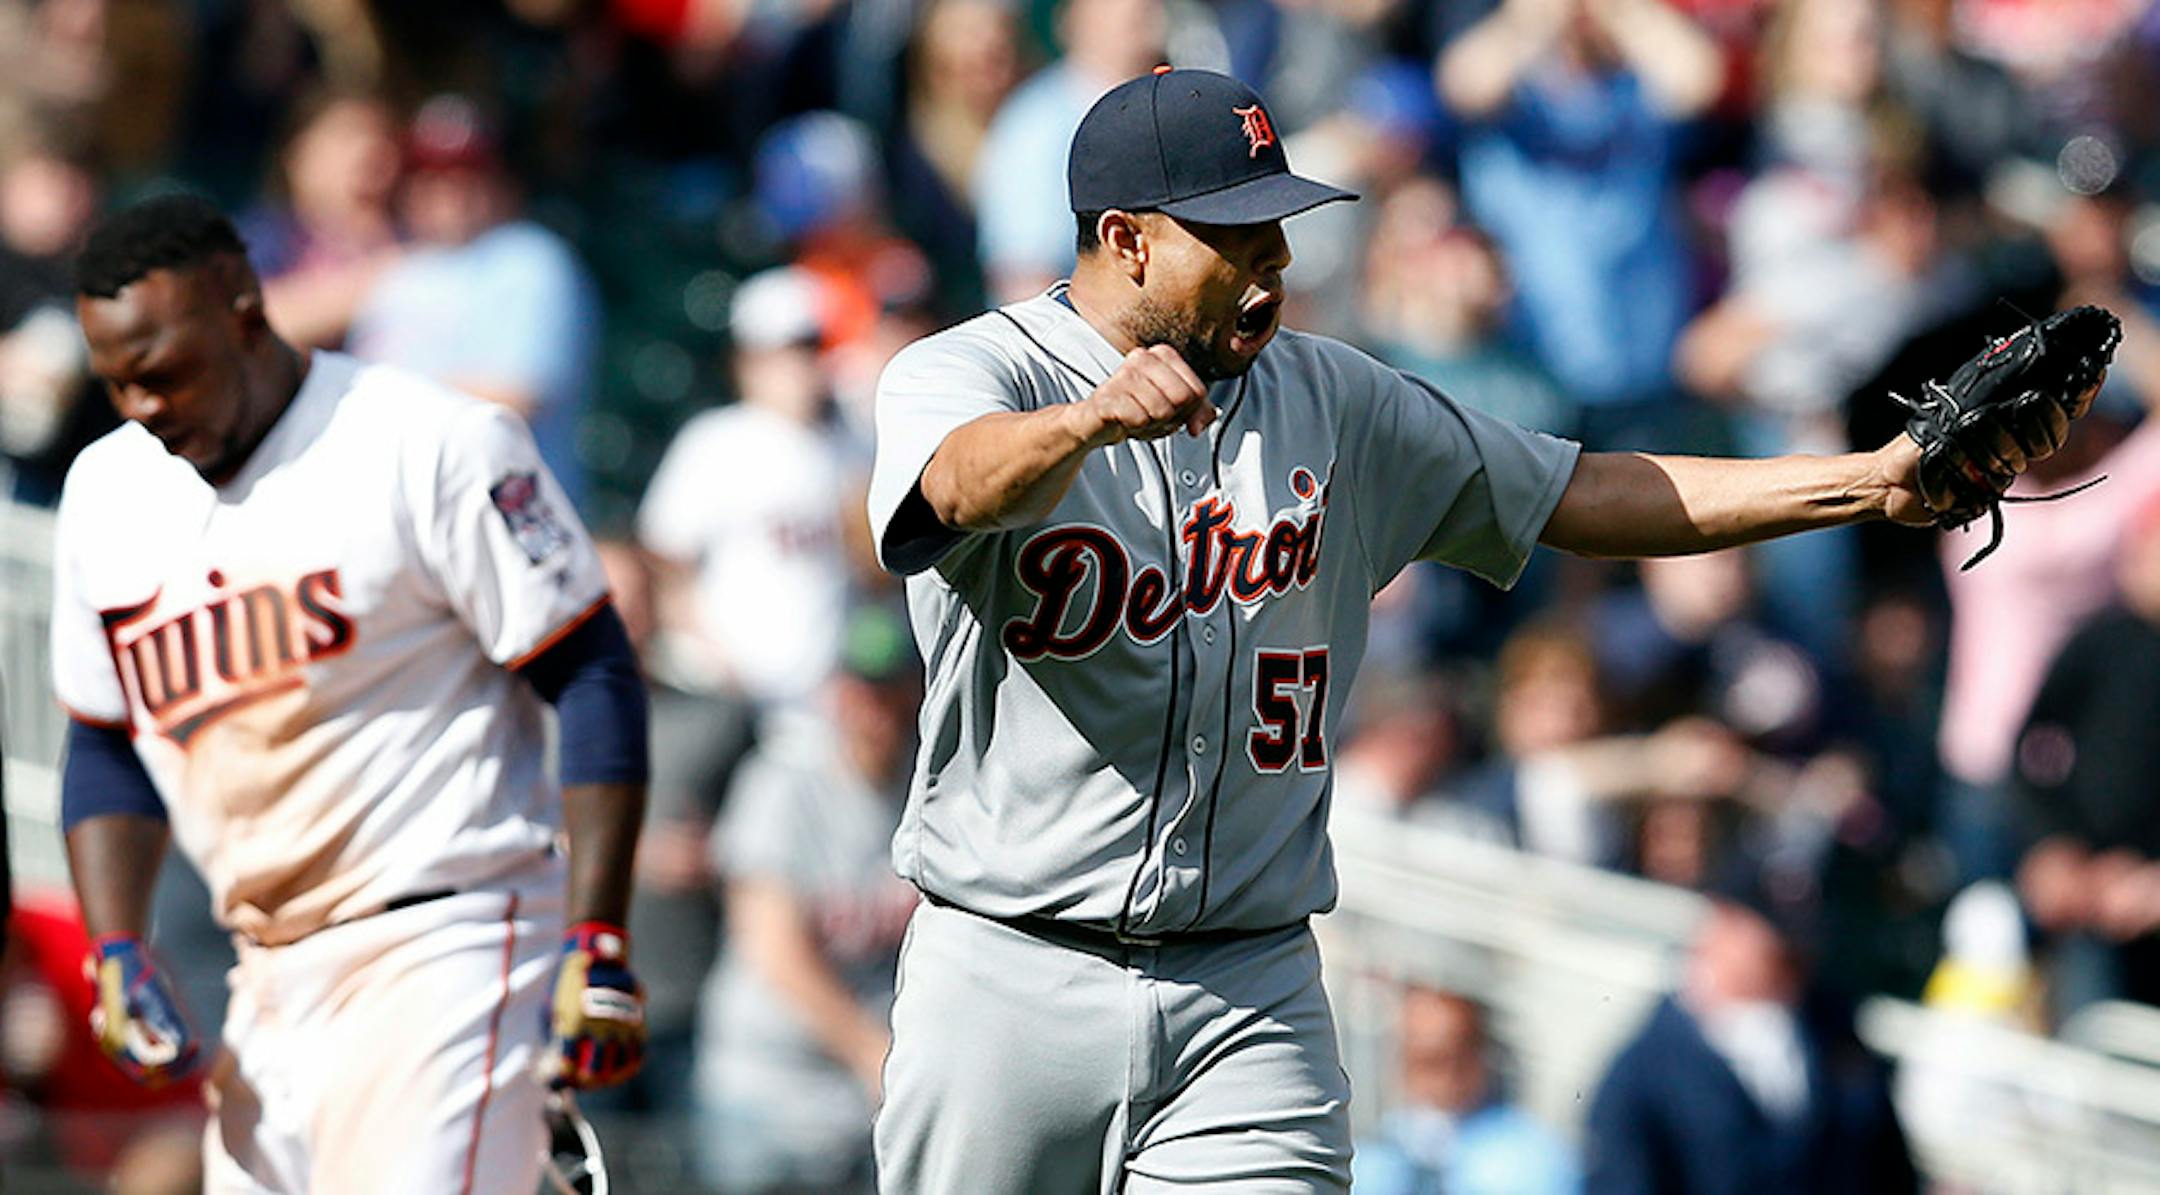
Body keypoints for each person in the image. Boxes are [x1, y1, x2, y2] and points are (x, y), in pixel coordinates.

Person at [864, 66, 2088, 1191]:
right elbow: (954, 485)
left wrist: (1864, 482)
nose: (1275, 261)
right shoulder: (978, 372)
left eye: (1279, 227)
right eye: (1235, 234)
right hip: (1009, 970)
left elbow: (1584, 493)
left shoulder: (1335, 397)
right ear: (1126, 242)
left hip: (1248, 977)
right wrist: (1086, 427)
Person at [51, 195, 649, 1193]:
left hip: (449, 938)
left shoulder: (427, 440)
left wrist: (598, 936)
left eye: (161, 371)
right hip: (268, 972)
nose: (143, 406)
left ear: (243, 309)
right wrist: (115, 944)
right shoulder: (105, 491)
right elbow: (104, 740)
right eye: (116, 384)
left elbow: (589, 667)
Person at [692, 606, 921, 1193]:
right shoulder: (782, 784)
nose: (873, 708)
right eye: (860, 689)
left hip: (871, 1099)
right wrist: (872, 1050)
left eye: (889, 688)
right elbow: (775, 952)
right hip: (766, 1093)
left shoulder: (930, 790)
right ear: (835, 694)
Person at [1582, 866, 1917, 1193]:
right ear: (1723, 924)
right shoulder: (1648, 1069)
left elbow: (1883, 1160)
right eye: (1775, 937)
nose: (1793, 955)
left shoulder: (1835, 1034)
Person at [346, 94, 601, 513]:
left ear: (501, 182)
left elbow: (509, 401)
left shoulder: (530, 259)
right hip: (404, 515)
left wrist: (368, 406)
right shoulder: (395, 273)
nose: (451, 193)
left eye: (468, 175)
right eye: (432, 176)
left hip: (511, 516)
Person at [1353, 986, 1579, 1195]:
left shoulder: (1532, 1159)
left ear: (1476, 1056)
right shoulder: (1376, 1153)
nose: (1432, 1081)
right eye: (1415, 1060)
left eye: (1441, 1060)